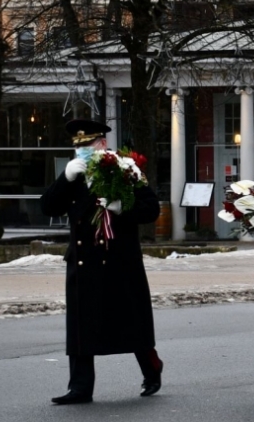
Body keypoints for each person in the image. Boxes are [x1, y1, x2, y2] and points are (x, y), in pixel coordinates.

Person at [39, 118, 162, 405]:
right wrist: (65, 178)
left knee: (131, 322)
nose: (83, 150)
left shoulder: (125, 169)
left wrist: (122, 207)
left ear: (102, 144)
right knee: (82, 325)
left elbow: (151, 208)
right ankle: (80, 387)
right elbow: (48, 206)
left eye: (89, 144)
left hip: (119, 259)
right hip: (84, 260)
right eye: (78, 145)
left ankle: (151, 366)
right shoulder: (74, 175)